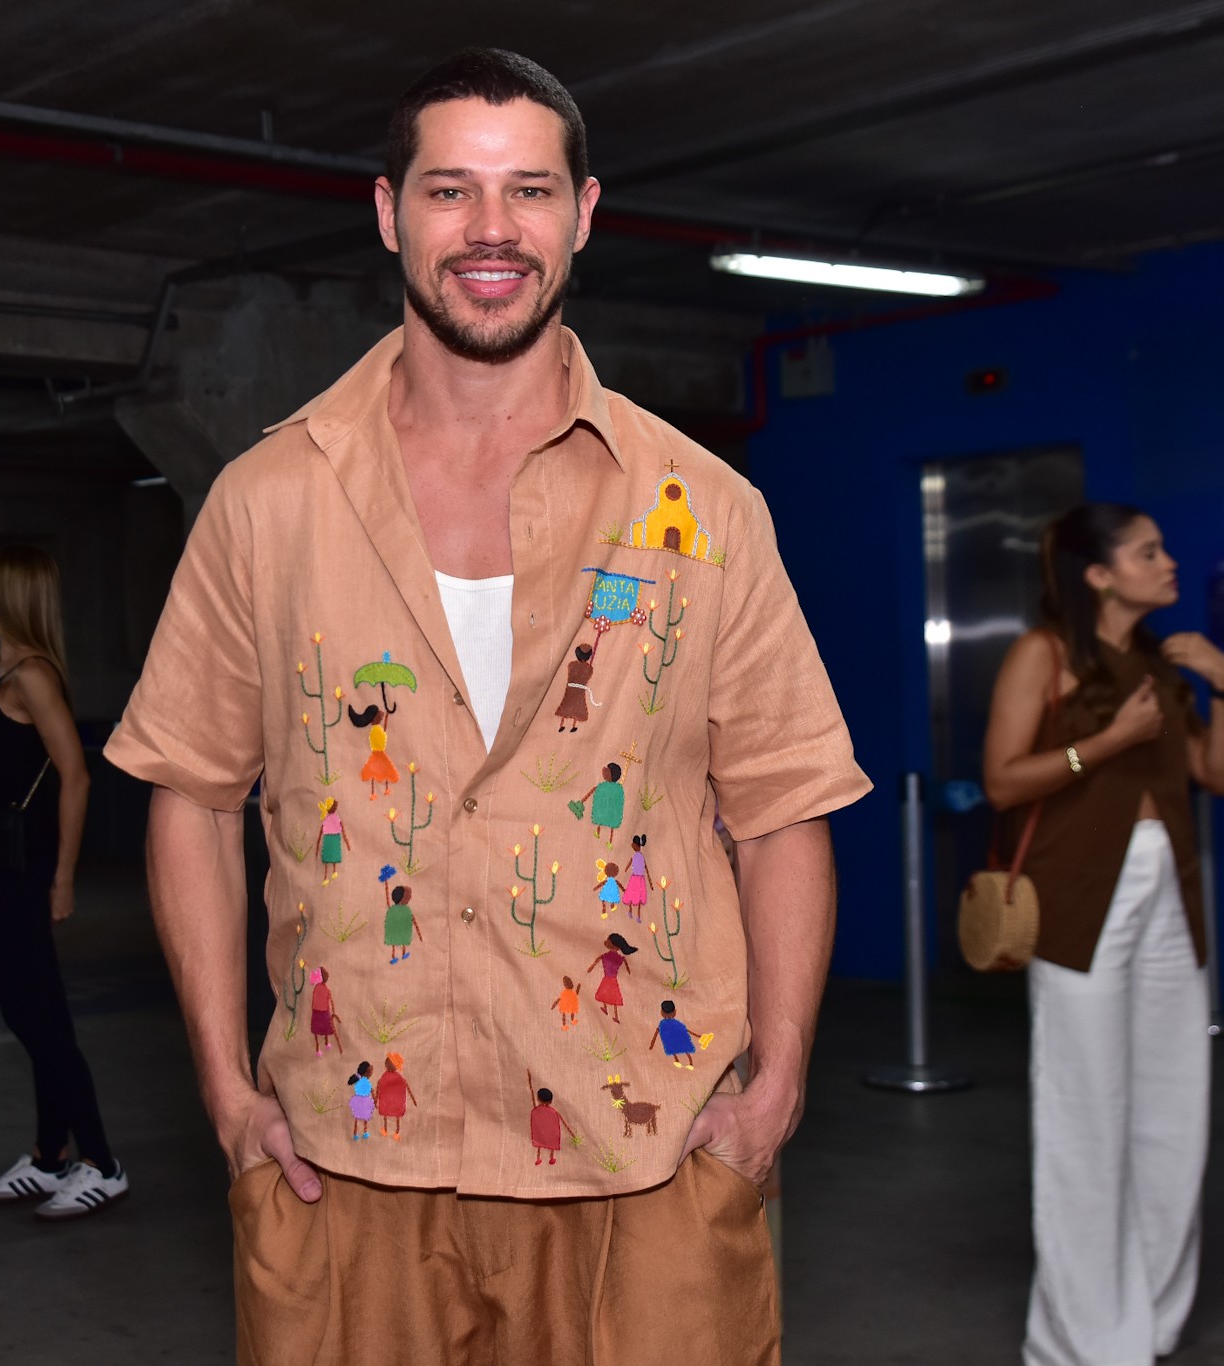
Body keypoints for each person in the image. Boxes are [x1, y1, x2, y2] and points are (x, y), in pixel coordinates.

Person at [107, 49, 869, 1365]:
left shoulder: (702, 509)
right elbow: (190, 790)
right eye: (450, 190)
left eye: (529, 190)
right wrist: (227, 1090)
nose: (491, 230)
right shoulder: (268, 502)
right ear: (389, 212)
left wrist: (777, 1083)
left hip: (641, 1155)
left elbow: (784, 804)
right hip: (350, 1160)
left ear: (583, 214)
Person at [982, 504, 1224, 1365]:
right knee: (1085, 1120)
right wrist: (1107, 742)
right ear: (1098, 574)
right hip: (1077, 905)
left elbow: (1219, 775)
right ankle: (1083, 1340)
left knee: (1173, 1116)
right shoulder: (1042, 653)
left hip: (1170, 900)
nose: (1170, 563)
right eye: (1148, 552)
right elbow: (1001, 781)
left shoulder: (1165, 663)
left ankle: (1153, 1320)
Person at [0, 545, 127, 1220]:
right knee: (40, 1012)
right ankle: (49, 1156)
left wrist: (63, 878)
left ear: (8, 595)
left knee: (33, 1016)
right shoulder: (3, 668)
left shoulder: (32, 675)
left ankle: (102, 1162)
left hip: (20, 874)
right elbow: (3, 772)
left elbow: (76, 776)